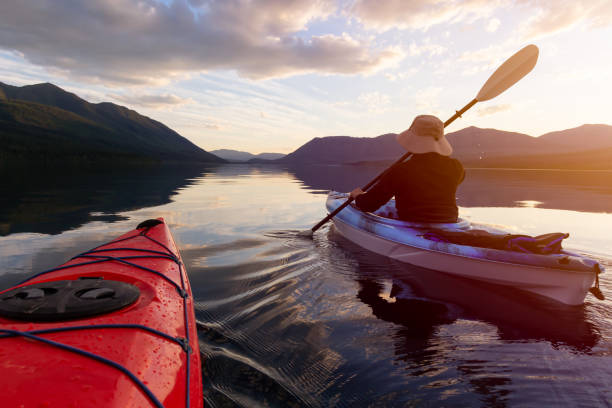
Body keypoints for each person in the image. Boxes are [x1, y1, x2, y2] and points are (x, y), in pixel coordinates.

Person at [349, 114, 465, 223]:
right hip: (450, 222)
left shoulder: (400, 171)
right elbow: (454, 180)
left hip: (412, 224)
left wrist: (358, 195)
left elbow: (368, 205)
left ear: (413, 140)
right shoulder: (456, 167)